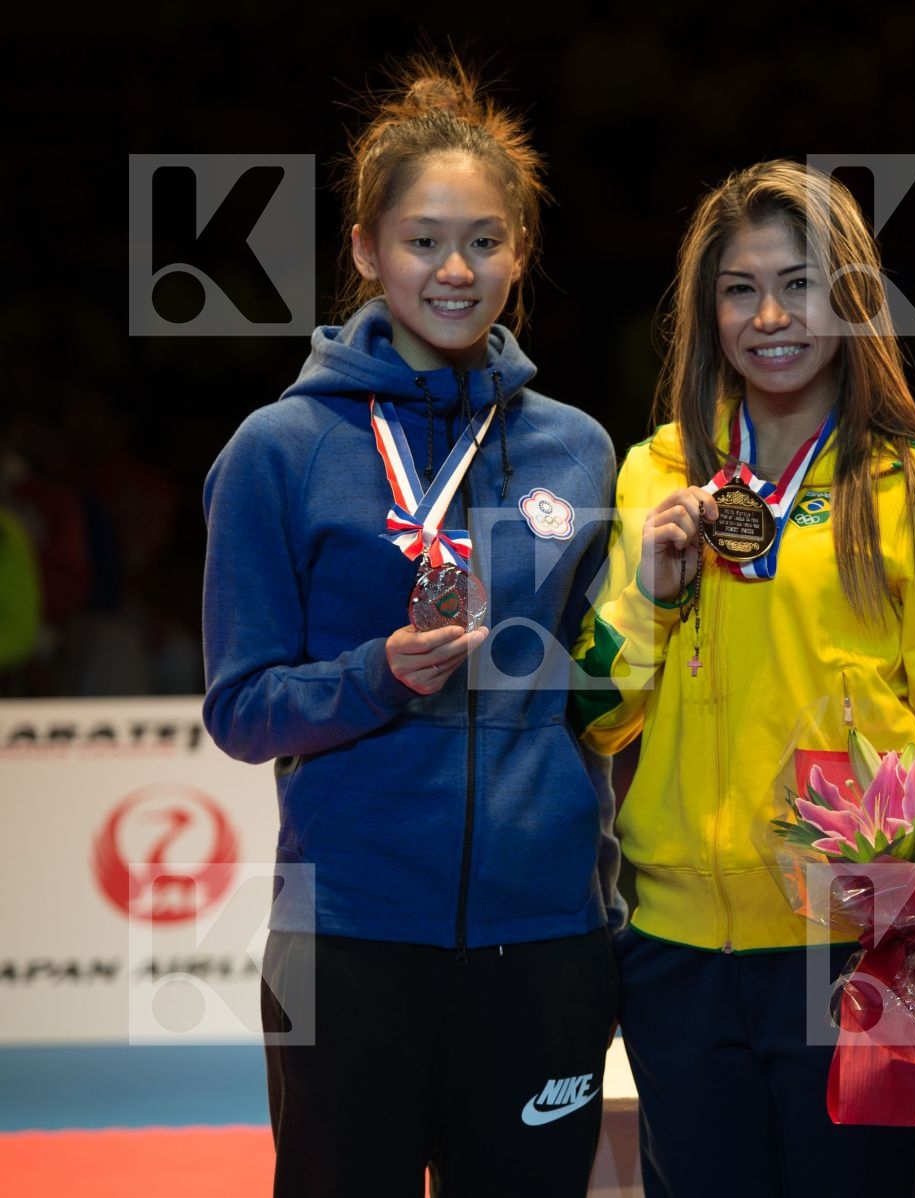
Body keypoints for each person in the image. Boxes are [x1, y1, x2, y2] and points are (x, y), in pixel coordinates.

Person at [201, 55, 621, 1197]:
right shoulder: (275, 452)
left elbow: (599, 689)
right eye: (423, 240)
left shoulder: (576, 448)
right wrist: (375, 675)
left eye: (485, 241)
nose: (455, 270)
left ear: (520, 253)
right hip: (348, 937)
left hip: (543, 937)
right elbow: (240, 711)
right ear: (364, 250)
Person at [573, 160, 915, 1197]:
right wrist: (651, 592)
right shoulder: (654, 471)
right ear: (707, 307)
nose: (771, 315)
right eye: (739, 289)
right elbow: (600, 716)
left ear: (848, 297)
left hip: (867, 940)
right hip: (680, 946)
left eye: (800, 284)